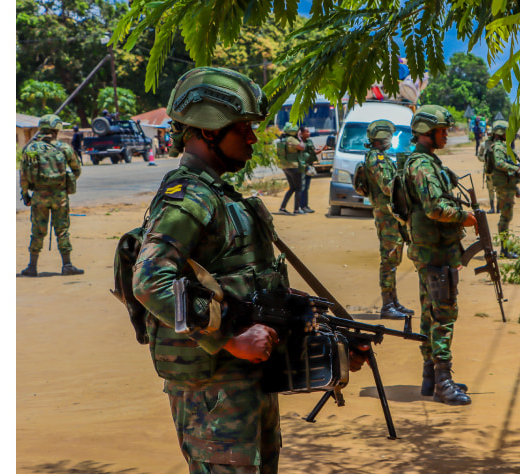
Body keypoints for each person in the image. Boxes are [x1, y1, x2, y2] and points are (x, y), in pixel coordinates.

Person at [131, 66, 368, 474]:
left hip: (248, 380)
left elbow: (252, 291)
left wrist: (326, 335)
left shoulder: (224, 197)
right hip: (215, 390)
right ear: (208, 131)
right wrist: (228, 338)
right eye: (243, 128)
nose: (254, 138)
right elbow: (149, 281)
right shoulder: (189, 197)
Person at [403, 104, 476, 406]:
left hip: (431, 250)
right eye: (442, 130)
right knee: (443, 314)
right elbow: (435, 208)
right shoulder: (422, 166)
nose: (447, 134)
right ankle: (442, 382)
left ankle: (430, 377)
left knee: (430, 312)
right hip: (434, 253)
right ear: (426, 132)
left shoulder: (427, 162)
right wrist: (464, 217)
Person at [356, 120, 413, 320]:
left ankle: (394, 301)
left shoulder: (380, 157)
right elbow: (389, 187)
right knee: (389, 259)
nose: (391, 139)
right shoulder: (376, 158)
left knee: (394, 258)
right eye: (389, 135)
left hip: (391, 213)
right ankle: (387, 305)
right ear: (381, 137)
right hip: (386, 214)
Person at [19, 114, 84, 277]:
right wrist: (64, 182)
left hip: (39, 196)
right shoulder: (64, 148)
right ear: (56, 129)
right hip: (59, 196)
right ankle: (67, 265)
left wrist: (25, 194)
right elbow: (77, 169)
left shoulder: (30, 149)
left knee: (37, 231)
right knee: (62, 231)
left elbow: (24, 175)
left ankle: (32, 267)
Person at [486, 120, 520, 258]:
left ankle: (506, 247)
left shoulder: (502, 146)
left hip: (507, 186)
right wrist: (516, 168)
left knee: (507, 217)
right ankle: (504, 249)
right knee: (505, 218)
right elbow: (500, 163)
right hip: (503, 187)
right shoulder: (498, 147)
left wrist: (516, 187)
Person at [277, 123, 306, 214]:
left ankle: (282, 208)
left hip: (285, 166)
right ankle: (297, 209)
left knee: (292, 188)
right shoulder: (292, 139)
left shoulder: (284, 139)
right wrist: (300, 138)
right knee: (298, 188)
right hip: (294, 166)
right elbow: (302, 147)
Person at [298, 126, 327, 214]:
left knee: (306, 187)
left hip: (309, 166)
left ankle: (305, 206)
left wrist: (322, 150)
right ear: (301, 133)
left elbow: (313, 151)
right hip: (303, 167)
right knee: (302, 188)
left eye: (308, 132)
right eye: (306, 132)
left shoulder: (310, 141)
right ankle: (301, 206)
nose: (309, 133)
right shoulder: (300, 142)